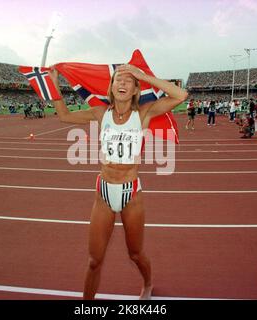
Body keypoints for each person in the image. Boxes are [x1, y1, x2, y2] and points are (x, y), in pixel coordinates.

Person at [48, 63, 188, 300]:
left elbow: (180, 95)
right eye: (117, 80)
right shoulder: (100, 113)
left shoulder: (144, 113)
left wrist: (143, 76)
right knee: (94, 261)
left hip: (131, 193)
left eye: (128, 81)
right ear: (111, 88)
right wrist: (53, 84)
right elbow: (63, 116)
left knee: (135, 254)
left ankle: (148, 283)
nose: (122, 83)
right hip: (103, 192)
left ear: (135, 89)